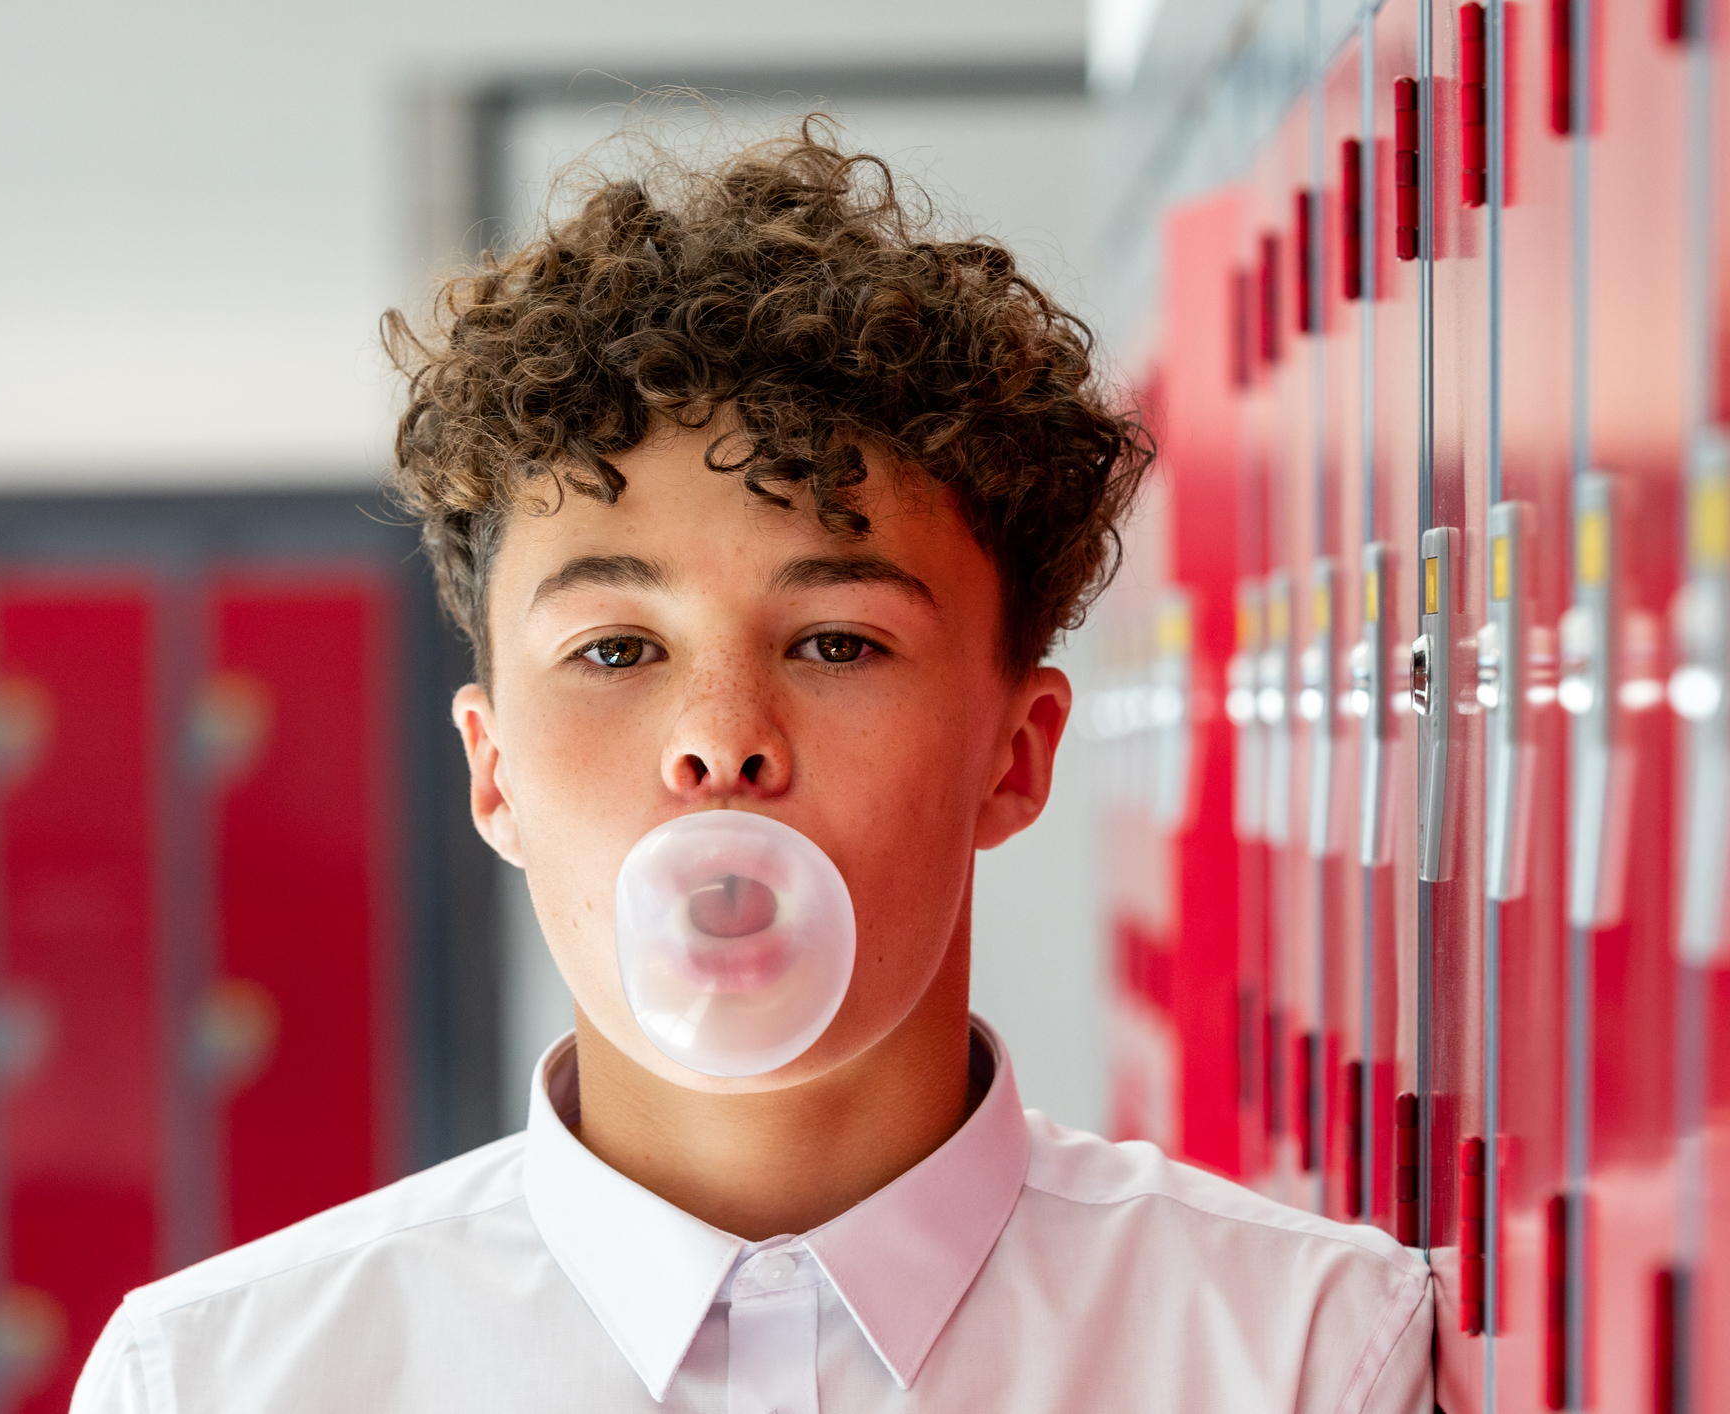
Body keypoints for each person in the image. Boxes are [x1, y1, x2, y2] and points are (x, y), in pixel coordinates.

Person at [70, 119, 1431, 1413]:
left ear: (1015, 758)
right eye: (613, 649)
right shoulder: (221, 1378)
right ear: (494, 776)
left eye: (837, 640)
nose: (719, 737)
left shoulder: (1302, 1349)